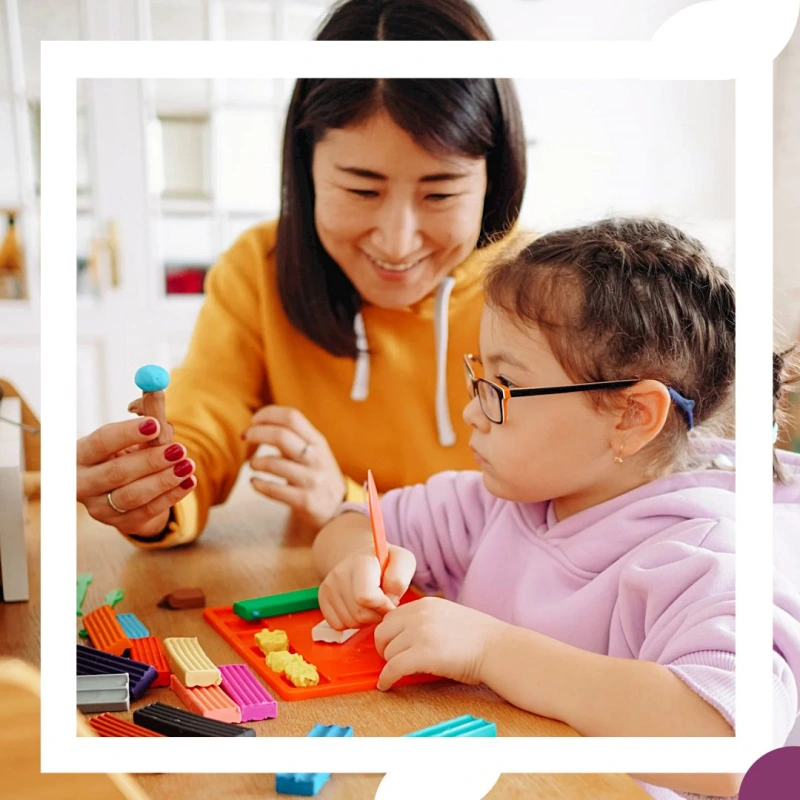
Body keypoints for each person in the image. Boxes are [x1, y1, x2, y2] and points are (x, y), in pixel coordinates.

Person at [313, 217, 798, 798]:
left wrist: (490, 651)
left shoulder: (705, 556)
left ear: (631, 416)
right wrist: (361, 563)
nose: (472, 412)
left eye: (502, 388)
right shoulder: (505, 500)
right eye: (479, 379)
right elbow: (347, 524)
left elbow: (734, 750)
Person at [75, 0, 527, 547]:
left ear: (493, 176)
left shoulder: (542, 296)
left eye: (440, 193)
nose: (397, 240)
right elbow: (202, 426)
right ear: (307, 168)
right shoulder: (259, 269)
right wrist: (157, 492)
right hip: (333, 586)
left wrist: (345, 506)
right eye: (362, 189)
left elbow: (557, 512)